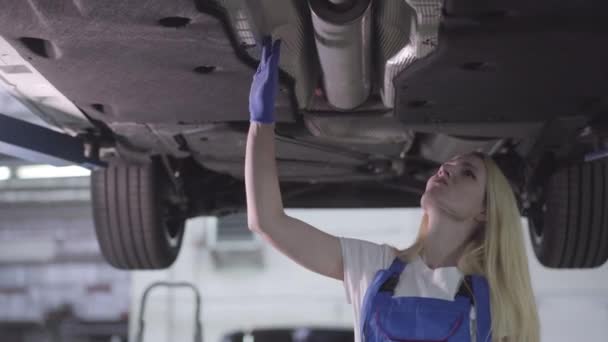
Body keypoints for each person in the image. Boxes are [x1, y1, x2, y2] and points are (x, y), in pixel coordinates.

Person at [245, 36, 540, 342]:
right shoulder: (377, 268)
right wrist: (260, 124)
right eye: (448, 165)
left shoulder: (497, 304)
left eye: (467, 173)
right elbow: (267, 221)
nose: (447, 169)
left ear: (485, 212)